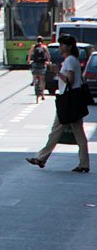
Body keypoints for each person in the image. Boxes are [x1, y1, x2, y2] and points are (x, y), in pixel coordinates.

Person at [26, 35, 90, 173]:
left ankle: (42, 158)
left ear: (69, 47)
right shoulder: (71, 60)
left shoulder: (70, 61)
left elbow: (70, 81)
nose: (60, 47)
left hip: (69, 101)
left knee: (64, 132)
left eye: (62, 45)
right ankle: (82, 163)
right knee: (73, 133)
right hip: (71, 100)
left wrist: (56, 72)